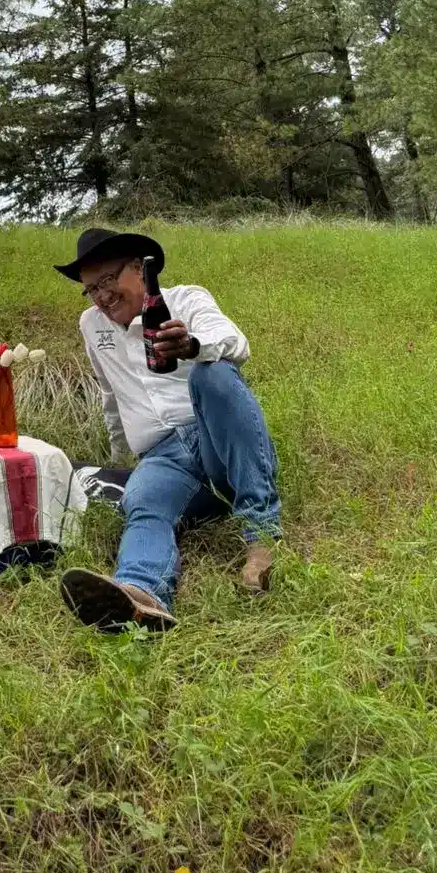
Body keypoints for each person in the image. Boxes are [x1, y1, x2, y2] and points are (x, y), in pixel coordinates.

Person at [54, 227, 281, 633]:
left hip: (216, 442)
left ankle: (261, 537)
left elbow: (234, 342)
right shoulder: (91, 325)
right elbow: (110, 393)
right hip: (162, 458)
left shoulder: (185, 299)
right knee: (143, 502)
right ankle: (142, 596)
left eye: (108, 280)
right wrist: (120, 457)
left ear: (139, 269)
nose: (102, 296)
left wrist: (192, 346)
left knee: (213, 374)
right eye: (91, 289)